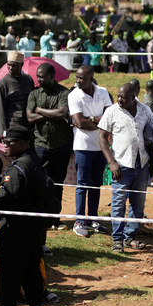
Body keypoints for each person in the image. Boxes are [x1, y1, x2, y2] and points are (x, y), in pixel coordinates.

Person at [0, 125, 50, 306]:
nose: (6, 146)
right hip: (34, 230)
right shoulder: (36, 162)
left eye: (9, 142)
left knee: (10, 278)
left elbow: (5, 202)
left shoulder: (17, 169)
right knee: (32, 273)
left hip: (14, 232)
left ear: (22, 143)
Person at [98, 82, 153, 253]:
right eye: (118, 96)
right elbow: (101, 137)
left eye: (123, 97)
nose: (119, 99)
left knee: (138, 204)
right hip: (121, 165)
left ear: (133, 97)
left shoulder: (145, 110)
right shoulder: (112, 111)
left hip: (141, 163)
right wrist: (111, 162)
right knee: (118, 203)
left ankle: (130, 237)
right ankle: (117, 240)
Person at [26, 62, 72, 228]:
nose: (38, 79)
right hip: (40, 146)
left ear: (52, 77)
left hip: (61, 146)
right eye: (38, 76)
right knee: (42, 184)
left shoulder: (63, 93)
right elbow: (30, 118)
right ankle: (42, 219)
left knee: (58, 184)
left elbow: (62, 113)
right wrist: (50, 115)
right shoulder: (34, 93)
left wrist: (40, 110)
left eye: (42, 77)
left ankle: (55, 219)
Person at [69, 66, 113, 237]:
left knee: (96, 184)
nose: (78, 80)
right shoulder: (74, 95)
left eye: (81, 78)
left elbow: (109, 118)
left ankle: (93, 218)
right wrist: (98, 121)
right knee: (82, 184)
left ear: (90, 78)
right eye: (77, 77)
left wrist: (92, 120)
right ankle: (79, 220)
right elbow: (80, 123)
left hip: (100, 146)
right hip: (82, 146)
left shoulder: (103, 92)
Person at [0, 51, 34, 134]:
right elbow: (0, 111)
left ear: (22, 65)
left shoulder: (28, 80)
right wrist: (3, 133)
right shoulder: (3, 83)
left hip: (28, 127)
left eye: (14, 65)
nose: (11, 68)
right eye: (9, 65)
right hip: (12, 129)